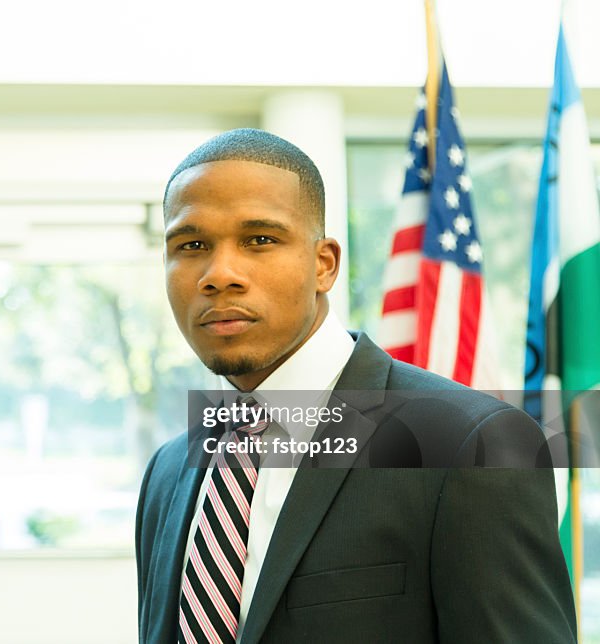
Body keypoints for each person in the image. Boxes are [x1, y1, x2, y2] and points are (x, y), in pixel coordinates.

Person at [135, 128, 576, 643]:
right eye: (191, 245)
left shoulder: (474, 445)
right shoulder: (168, 471)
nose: (220, 273)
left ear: (324, 264)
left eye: (260, 240)